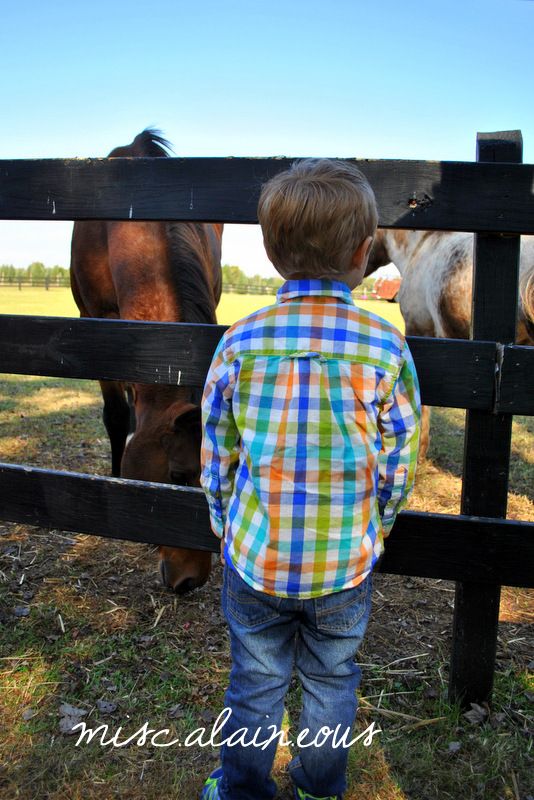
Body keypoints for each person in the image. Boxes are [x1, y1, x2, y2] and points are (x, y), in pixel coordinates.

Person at [199, 159, 421, 800]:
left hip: (256, 558)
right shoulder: (384, 345)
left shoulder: (241, 342)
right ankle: (320, 789)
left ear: (272, 255)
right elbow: (399, 458)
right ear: (362, 252)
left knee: (255, 682)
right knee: (332, 682)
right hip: (343, 565)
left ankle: (241, 789)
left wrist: (223, 523)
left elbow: (218, 450)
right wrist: (376, 527)